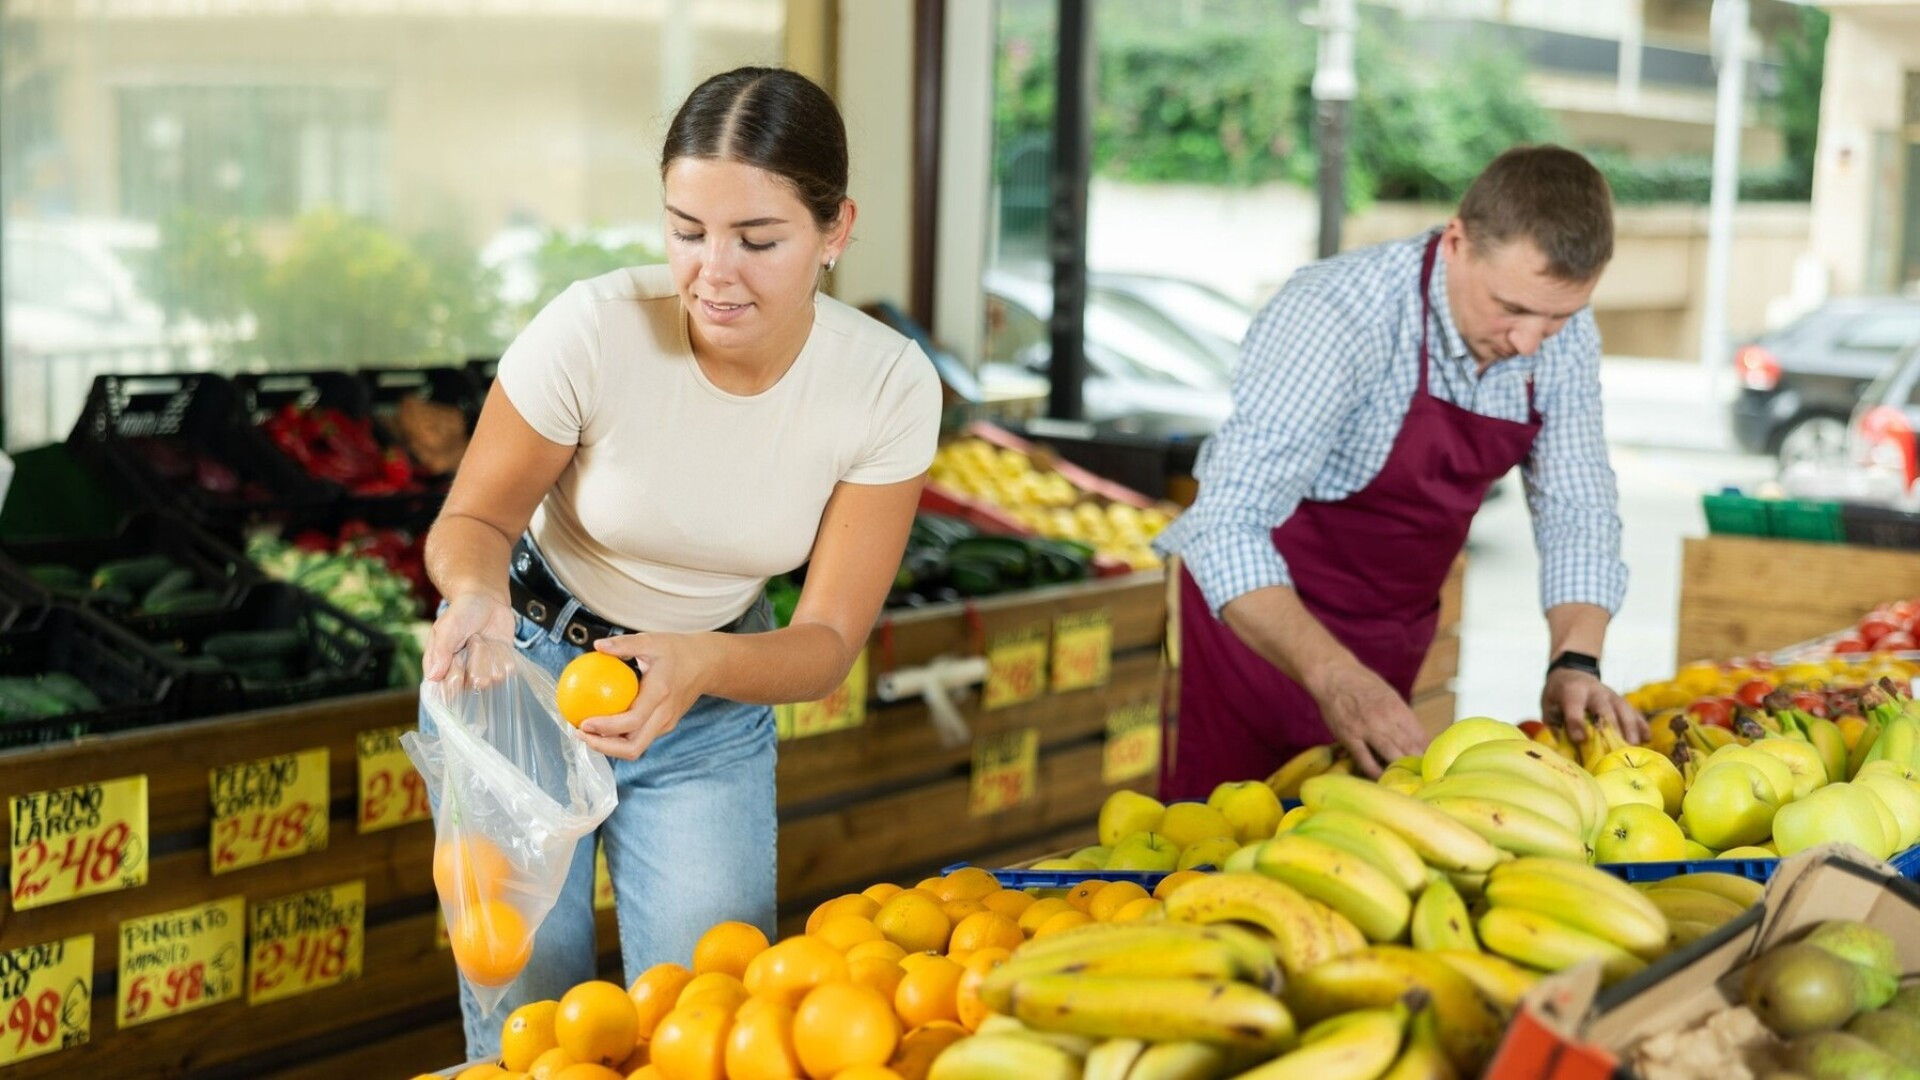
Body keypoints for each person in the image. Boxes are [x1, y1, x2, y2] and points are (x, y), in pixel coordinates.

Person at [420, 66, 943, 1057]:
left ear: (836, 231)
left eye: (759, 240)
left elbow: (827, 641)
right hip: (519, 678)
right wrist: (477, 595)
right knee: (527, 1026)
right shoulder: (594, 328)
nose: (713, 271)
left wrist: (702, 665)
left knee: (709, 1023)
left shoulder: (885, 386)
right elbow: (474, 521)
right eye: (686, 229)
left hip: (714, 699)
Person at [1154, 145, 1647, 798]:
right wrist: (1335, 677)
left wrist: (1575, 660)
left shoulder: (1562, 337)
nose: (1529, 342)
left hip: (1393, 633)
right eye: (1512, 308)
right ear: (1456, 242)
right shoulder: (1337, 315)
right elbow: (1223, 525)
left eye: (1558, 317)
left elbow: (1576, 506)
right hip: (1262, 634)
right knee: (1224, 841)